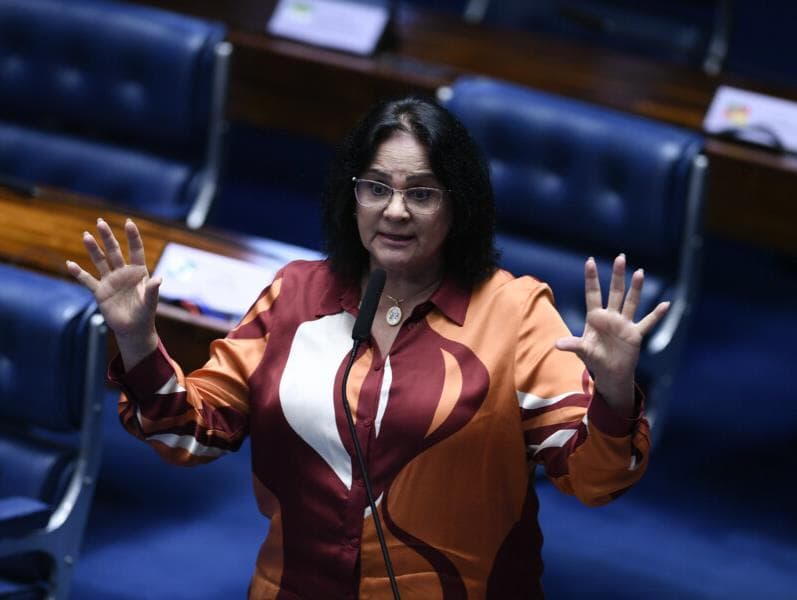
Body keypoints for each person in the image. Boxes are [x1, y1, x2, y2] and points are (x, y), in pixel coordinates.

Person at [67, 95, 669, 599]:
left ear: (459, 205)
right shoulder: (296, 294)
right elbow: (192, 436)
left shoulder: (515, 314)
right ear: (350, 196)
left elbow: (595, 480)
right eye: (376, 187)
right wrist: (139, 341)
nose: (395, 211)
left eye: (422, 194)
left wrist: (615, 389)